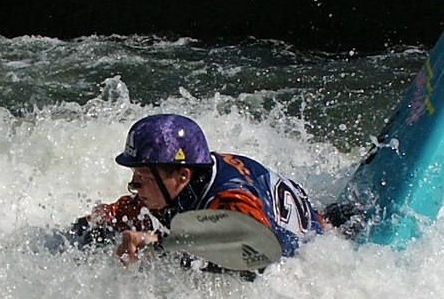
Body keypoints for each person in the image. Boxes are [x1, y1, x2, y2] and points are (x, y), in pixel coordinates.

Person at [74, 114, 324, 266]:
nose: (134, 186)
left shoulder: (231, 199)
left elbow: (257, 255)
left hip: (313, 245)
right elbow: (123, 213)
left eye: (143, 177)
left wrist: (159, 245)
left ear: (183, 175)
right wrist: (89, 225)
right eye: (134, 175)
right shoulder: (172, 187)